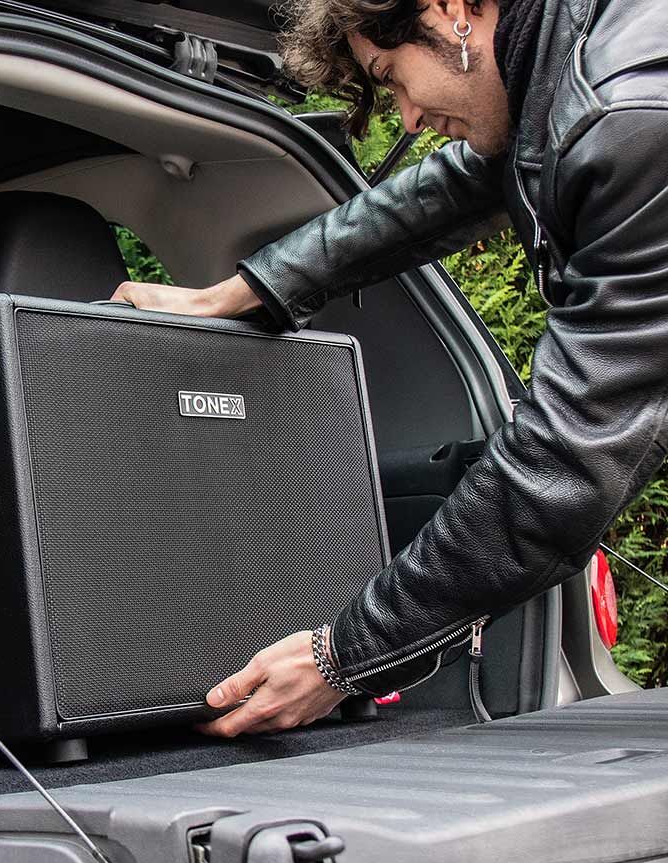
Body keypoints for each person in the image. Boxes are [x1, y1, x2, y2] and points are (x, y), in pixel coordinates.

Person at [111, 0, 666, 736]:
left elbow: (565, 466)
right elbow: (442, 194)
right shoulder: (562, 73)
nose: (407, 117)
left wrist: (342, 658)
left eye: (391, 76)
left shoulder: (625, 119)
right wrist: (239, 294)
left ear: (453, 10)